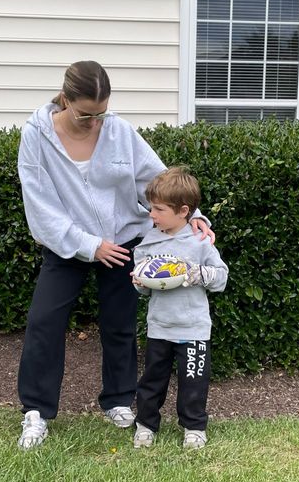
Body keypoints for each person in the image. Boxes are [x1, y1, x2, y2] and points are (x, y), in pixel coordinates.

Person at [16, 60, 215, 449]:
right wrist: (89, 244)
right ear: (65, 99)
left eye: (101, 113)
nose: (94, 123)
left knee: (120, 323)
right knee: (44, 322)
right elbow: (40, 206)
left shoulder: (120, 132)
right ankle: (36, 412)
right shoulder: (36, 136)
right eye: (86, 114)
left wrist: (195, 217)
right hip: (68, 246)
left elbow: (157, 183)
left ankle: (119, 399)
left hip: (123, 240)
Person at [132, 167, 228, 450]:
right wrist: (140, 282)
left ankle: (194, 427)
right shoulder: (148, 244)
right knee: (152, 381)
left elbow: (221, 277)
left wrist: (195, 273)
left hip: (194, 329)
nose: (152, 214)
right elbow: (143, 287)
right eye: (151, 208)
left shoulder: (200, 242)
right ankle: (146, 424)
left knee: (194, 382)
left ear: (183, 210)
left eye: (159, 209)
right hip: (160, 327)